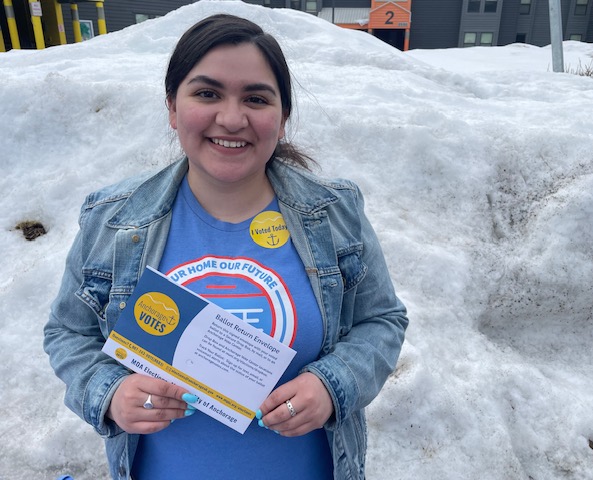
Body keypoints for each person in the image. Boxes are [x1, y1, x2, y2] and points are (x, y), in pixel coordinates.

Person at [44, 13, 408, 480]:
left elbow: (381, 320)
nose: (232, 118)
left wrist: (331, 385)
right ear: (173, 108)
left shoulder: (333, 214)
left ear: (282, 118)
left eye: (256, 98)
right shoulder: (113, 220)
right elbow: (67, 333)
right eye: (207, 93)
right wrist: (109, 393)